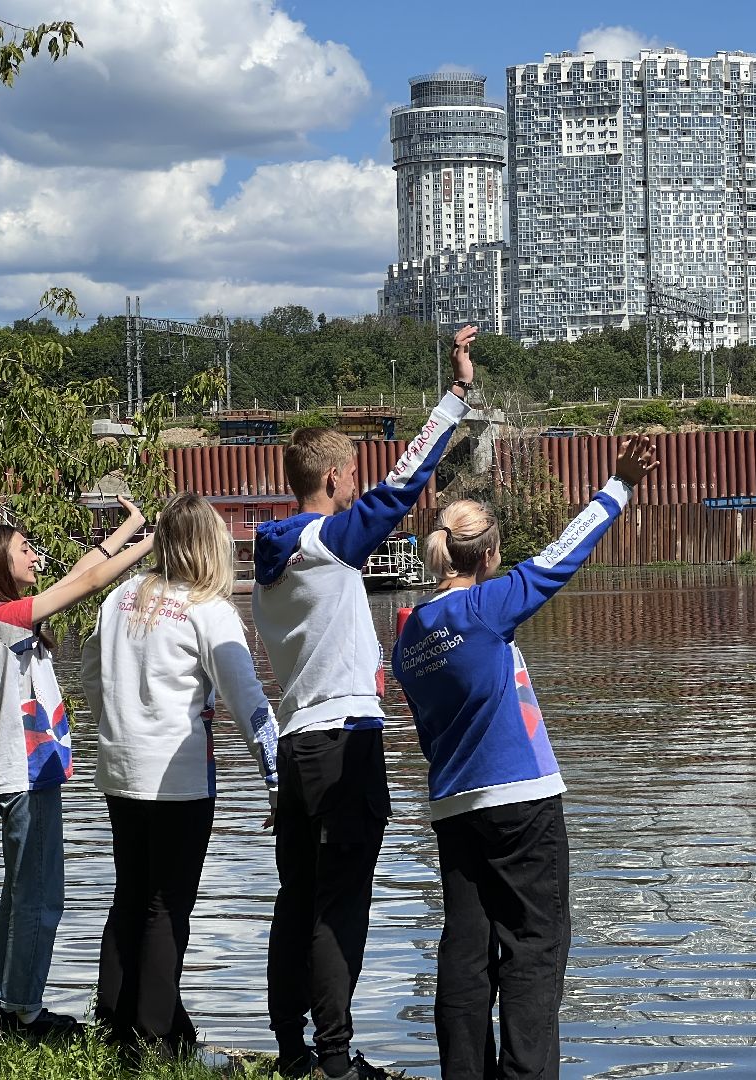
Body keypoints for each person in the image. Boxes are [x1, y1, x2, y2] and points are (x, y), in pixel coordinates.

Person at [391, 434, 660, 1080]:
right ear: (487, 555)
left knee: (466, 951)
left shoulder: (408, 641)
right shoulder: (486, 609)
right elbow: (561, 557)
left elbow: (430, 735)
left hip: (454, 808)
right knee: (535, 950)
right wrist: (618, 487)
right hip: (521, 801)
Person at [253, 323, 479, 1080]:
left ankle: (292, 1052)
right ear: (334, 481)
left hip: (295, 744)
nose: (358, 485)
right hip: (344, 741)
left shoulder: (271, 561)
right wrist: (453, 397)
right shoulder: (324, 543)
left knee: (296, 901)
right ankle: (337, 1063)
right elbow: (406, 484)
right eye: (352, 476)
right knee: (339, 906)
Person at [81, 492, 279, 1063]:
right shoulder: (209, 609)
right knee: (168, 907)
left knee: (129, 894)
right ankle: (153, 1038)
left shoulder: (119, 596)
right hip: (180, 779)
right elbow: (249, 701)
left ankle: (114, 1024)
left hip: (120, 769)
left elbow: (93, 674)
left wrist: (115, 723)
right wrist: (276, 780)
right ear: (209, 546)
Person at [0, 495, 152, 1039]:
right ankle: (23, 1014)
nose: (35, 554)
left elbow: (74, 577)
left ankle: (13, 1002)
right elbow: (82, 587)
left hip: (33, 776)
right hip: (24, 779)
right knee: (41, 897)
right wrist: (154, 545)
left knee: (25, 892)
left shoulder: (5, 618)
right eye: (25, 548)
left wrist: (128, 530)